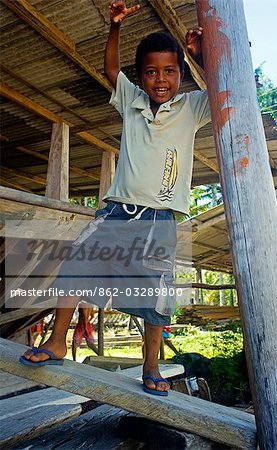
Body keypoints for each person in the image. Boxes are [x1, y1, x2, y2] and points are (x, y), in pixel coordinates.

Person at [20, 0, 210, 396]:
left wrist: (198, 58)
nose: (161, 79)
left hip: (160, 220)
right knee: (75, 262)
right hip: (118, 211)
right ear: (140, 77)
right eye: (152, 72)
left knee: (157, 297)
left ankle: (151, 366)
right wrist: (115, 27)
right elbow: (110, 69)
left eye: (170, 71)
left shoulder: (191, 107)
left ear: (180, 74)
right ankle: (56, 342)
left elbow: (220, 90)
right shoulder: (133, 101)